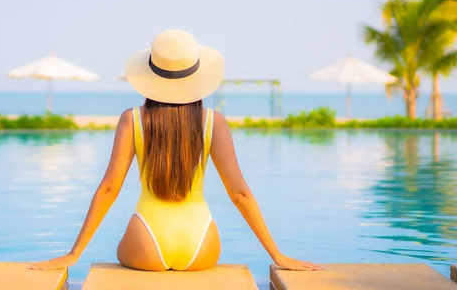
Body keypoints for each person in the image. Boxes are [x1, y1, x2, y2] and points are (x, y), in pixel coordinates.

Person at [28, 29, 322, 272]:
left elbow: (108, 190)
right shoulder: (213, 122)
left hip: (146, 242)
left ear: (149, 76)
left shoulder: (131, 120)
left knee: (121, 247)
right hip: (201, 245)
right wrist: (278, 255)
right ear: (197, 76)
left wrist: (72, 254)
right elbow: (240, 194)